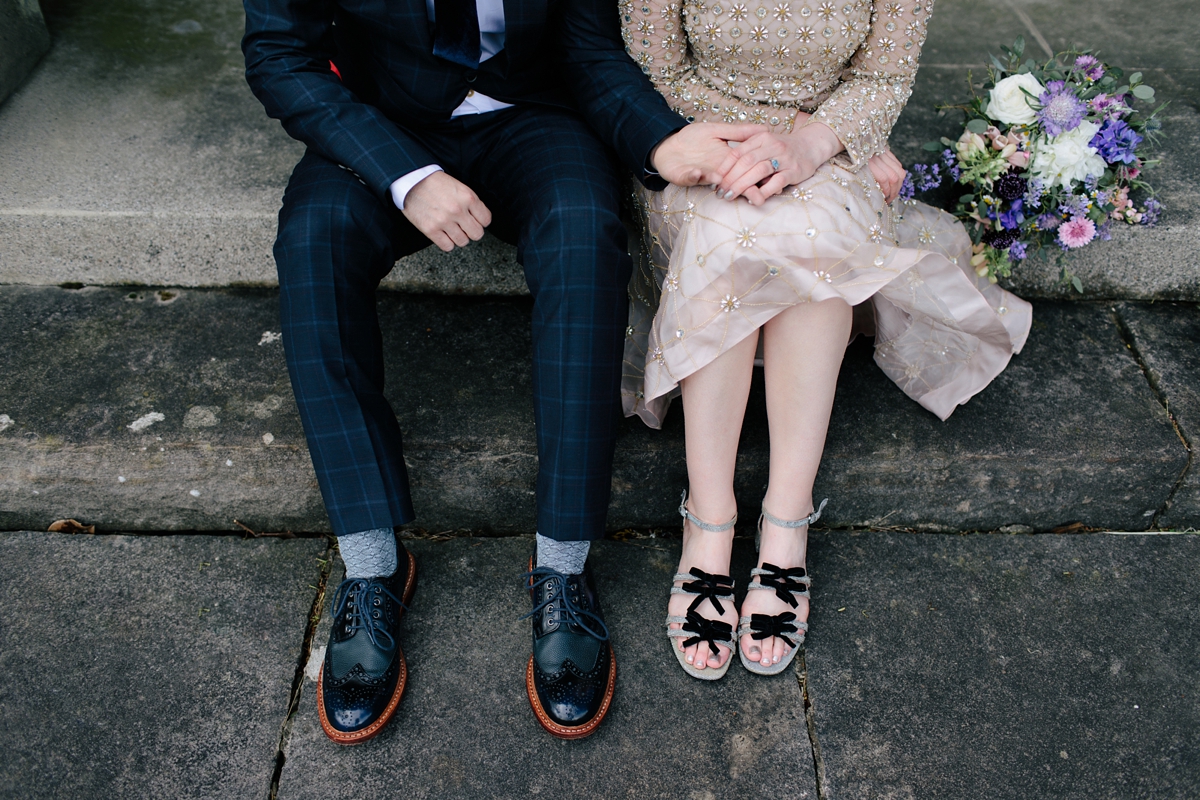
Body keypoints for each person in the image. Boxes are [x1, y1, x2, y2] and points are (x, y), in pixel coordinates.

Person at [242, 0, 758, 741]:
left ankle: (563, 569)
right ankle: (371, 567)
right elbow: (279, 56)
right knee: (312, 244)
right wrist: (407, 175)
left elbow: (588, 47)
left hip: (531, 116)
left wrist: (660, 140)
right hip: (380, 122)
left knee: (585, 234)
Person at [619, 0, 1032, 678]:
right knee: (728, 243)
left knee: (813, 250)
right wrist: (768, 139)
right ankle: (709, 523)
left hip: (828, 152)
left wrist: (818, 143)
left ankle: (785, 524)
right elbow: (652, 66)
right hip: (697, 142)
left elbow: (883, 77)